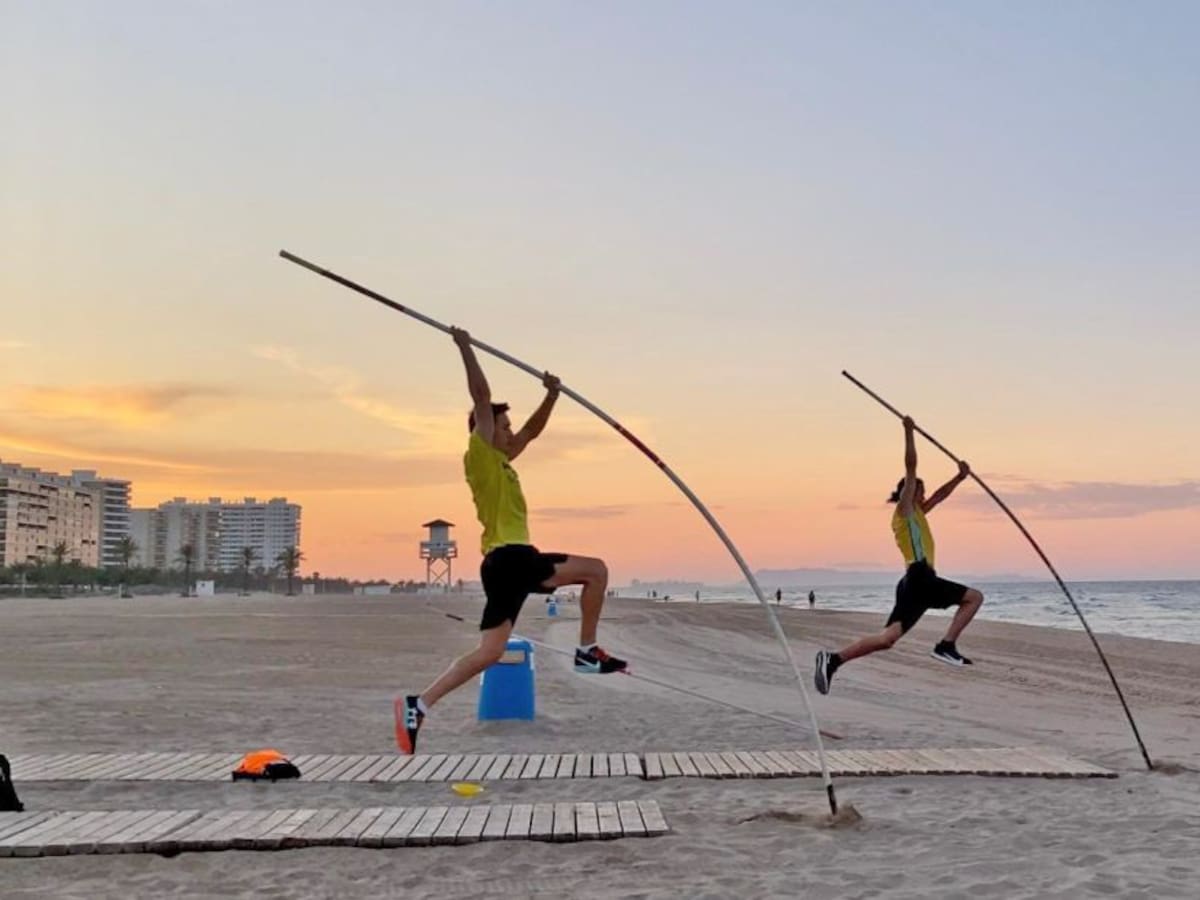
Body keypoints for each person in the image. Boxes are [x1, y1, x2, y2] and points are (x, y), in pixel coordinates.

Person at [395, 328, 627, 753]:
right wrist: (464, 347)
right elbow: (481, 398)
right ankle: (587, 650)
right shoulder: (481, 457)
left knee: (489, 652)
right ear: (485, 431)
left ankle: (419, 704)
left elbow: (532, 435)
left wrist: (552, 396)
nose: (510, 431)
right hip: (513, 558)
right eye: (504, 426)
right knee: (596, 570)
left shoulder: (503, 462)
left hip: (503, 566)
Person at [814, 416, 983, 695]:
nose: (923, 493)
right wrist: (908, 432)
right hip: (920, 577)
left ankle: (833, 660)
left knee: (887, 638)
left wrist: (960, 476)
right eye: (918, 489)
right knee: (974, 597)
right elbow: (911, 466)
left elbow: (940, 495)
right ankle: (946, 645)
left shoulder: (918, 513)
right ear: (907, 491)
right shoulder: (904, 512)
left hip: (913, 583)